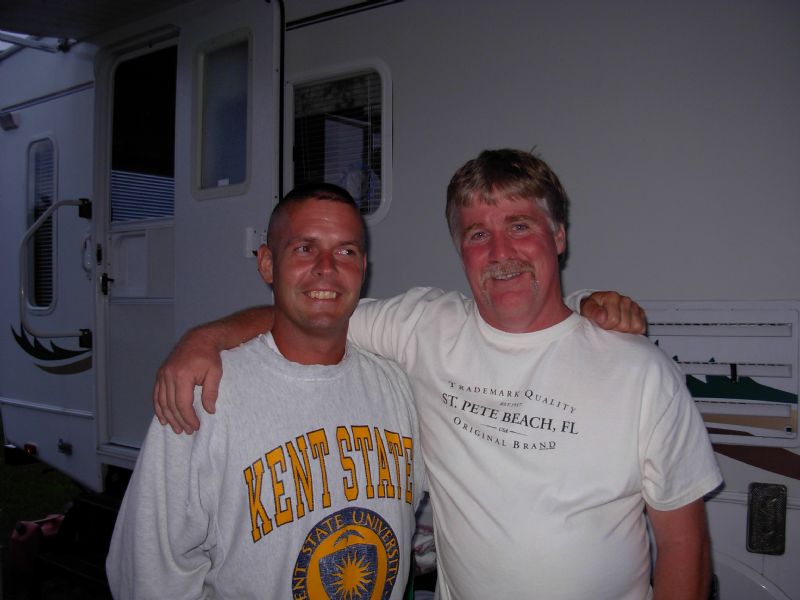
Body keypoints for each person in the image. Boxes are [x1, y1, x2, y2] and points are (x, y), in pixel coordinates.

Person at [155, 149, 722, 599]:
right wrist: (206, 337)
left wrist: (590, 306)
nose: (500, 251)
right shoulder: (423, 326)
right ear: (459, 249)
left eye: (520, 225)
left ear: (558, 236)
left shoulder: (638, 370)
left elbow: (684, 545)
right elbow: (315, 309)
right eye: (478, 234)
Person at [107, 184, 426, 599]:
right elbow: (150, 570)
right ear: (268, 264)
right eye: (305, 249)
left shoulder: (397, 388)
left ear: (363, 267)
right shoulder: (205, 396)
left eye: (346, 251)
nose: (327, 267)